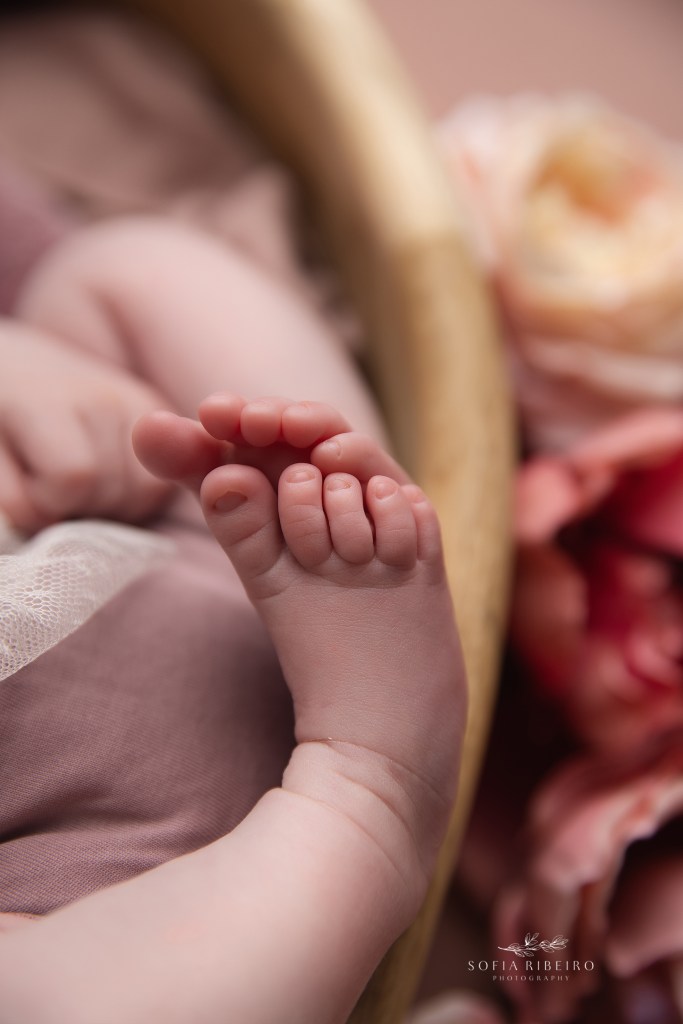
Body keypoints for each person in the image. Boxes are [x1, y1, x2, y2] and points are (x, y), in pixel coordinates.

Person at [0, 215, 466, 1022]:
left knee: (136, 276)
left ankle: (317, 498)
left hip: (147, 507)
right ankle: (368, 796)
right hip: (100, 893)